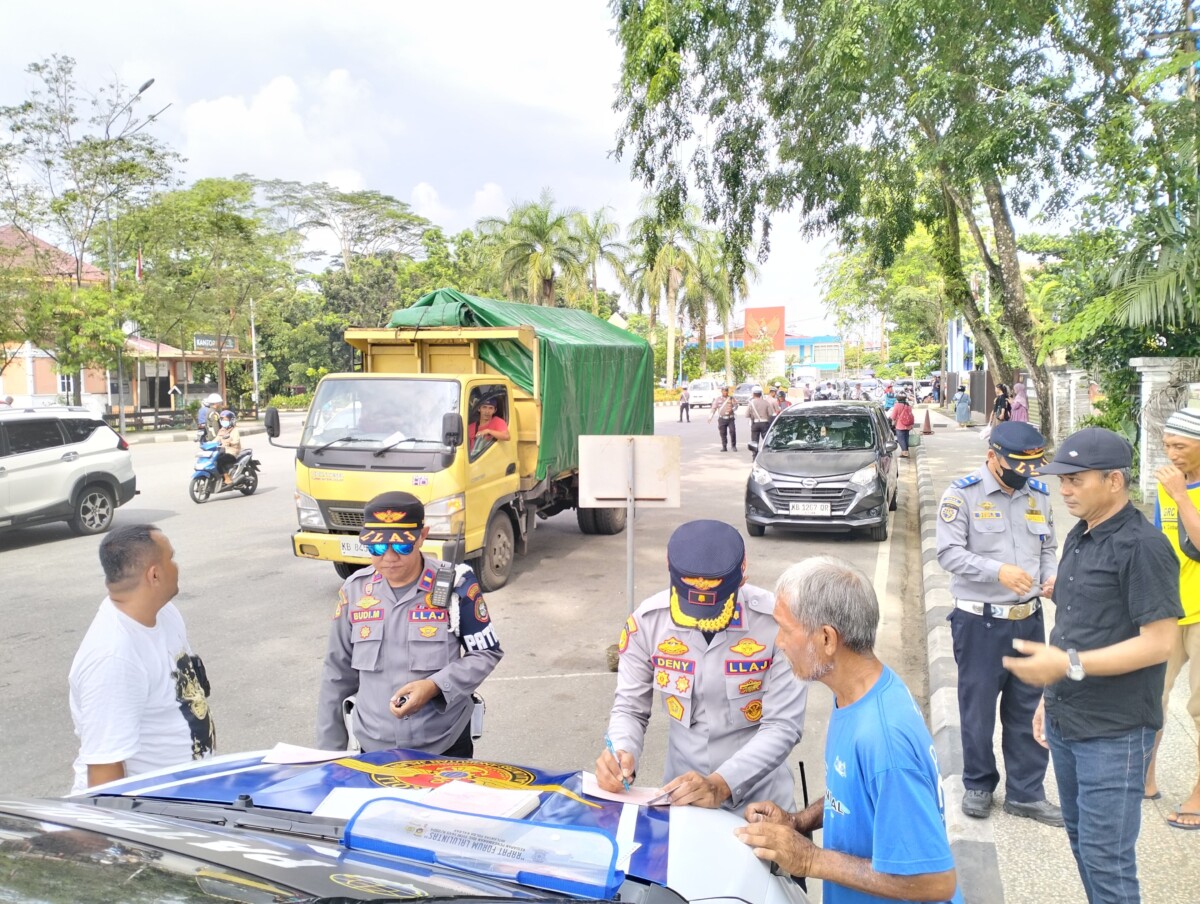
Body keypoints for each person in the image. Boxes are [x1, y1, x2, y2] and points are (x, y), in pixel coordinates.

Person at [1003, 428, 1182, 904]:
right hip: (1068, 720)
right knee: (1082, 845)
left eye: (1076, 480)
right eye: (1063, 479)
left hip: (1116, 731)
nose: (1064, 490)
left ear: (1115, 481)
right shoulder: (1081, 535)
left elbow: (1160, 643)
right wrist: (1049, 696)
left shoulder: (1143, 547)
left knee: (1108, 862)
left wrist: (1068, 664)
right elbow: (1075, 626)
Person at [735, 556, 962, 903]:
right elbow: (857, 797)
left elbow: (935, 882)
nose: (779, 643)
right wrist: (798, 822)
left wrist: (809, 858)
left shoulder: (884, 739)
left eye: (786, 629)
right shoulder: (859, 694)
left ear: (827, 638)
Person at [599, 519, 809, 812]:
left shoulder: (777, 625)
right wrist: (621, 751)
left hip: (761, 803)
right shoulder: (648, 623)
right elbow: (630, 709)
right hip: (684, 801)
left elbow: (783, 725)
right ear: (669, 569)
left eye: (715, 607)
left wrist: (721, 783)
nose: (700, 621)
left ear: (743, 575)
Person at [935, 422, 1063, 825]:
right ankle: (978, 784)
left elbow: (1048, 545)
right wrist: (997, 571)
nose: (1024, 474)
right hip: (980, 624)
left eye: (1031, 467)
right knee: (977, 709)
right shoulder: (962, 495)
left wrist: (1050, 575)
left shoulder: (1037, 496)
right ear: (993, 456)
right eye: (1015, 465)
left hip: (1028, 620)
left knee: (1028, 708)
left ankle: (1026, 792)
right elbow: (948, 553)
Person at [316, 492, 502, 756]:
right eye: (378, 548)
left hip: (444, 744)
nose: (390, 556)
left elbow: (486, 652)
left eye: (402, 545)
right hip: (373, 745)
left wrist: (434, 686)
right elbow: (337, 673)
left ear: (422, 536)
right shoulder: (355, 591)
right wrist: (329, 755)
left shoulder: (455, 585)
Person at [69, 525, 215, 792]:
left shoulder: (165, 614)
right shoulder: (114, 658)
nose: (177, 566)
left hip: (188, 800)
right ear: (155, 574)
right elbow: (105, 779)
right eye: (171, 558)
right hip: (154, 815)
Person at [1146, 408, 1200, 826]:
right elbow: (1161, 542)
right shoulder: (1167, 486)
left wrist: (1183, 495)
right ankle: (1145, 775)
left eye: (1179, 446)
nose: (1171, 454)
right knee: (1150, 697)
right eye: (1167, 445)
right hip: (1168, 609)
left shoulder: (1177, 488)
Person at [746, 385, 778, 453]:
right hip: (765, 423)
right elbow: (771, 413)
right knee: (766, 440)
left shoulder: (751, 403)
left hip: (755, 424)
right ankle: (768, 454)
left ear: (753, 394)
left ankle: (754, 456)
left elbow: (747, 415)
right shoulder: (766, 402)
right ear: (761, 394)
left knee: (754, 442)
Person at [214, 409, 241, 485]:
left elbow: (236, 441)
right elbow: (216, 439)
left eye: (226, 419)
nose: (224, 421)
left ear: (231, 420)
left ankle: (227, 478)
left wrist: (229, 443)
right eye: (222, 419)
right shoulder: (222, 430)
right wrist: (207, 445)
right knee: (213, 459)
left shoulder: (234, 430)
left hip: (232, 452)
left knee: (219, 461)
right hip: (223, 451)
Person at [709, 386, 739, 452]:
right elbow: (714, 408)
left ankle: (733, 446)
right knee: (723, 433)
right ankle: (724, 446)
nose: (725, 392)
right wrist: (710, 417)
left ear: (728, 392)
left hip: (730, 418)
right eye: (724, 391)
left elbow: (736, 406)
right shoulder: (718, 399)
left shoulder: (731, 398)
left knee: (733, 432)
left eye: (726, 391)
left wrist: (732, 409)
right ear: (721, 391)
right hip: (722, 419)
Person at [889, 393, 916, 458]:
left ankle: (905, 452)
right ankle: (905, 451)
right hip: (908, 425)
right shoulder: (908, 405)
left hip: (900, 425)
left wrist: (890, 420)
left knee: (901, 439)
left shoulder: (897, 405)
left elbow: (893, 416)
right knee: (906, 438)